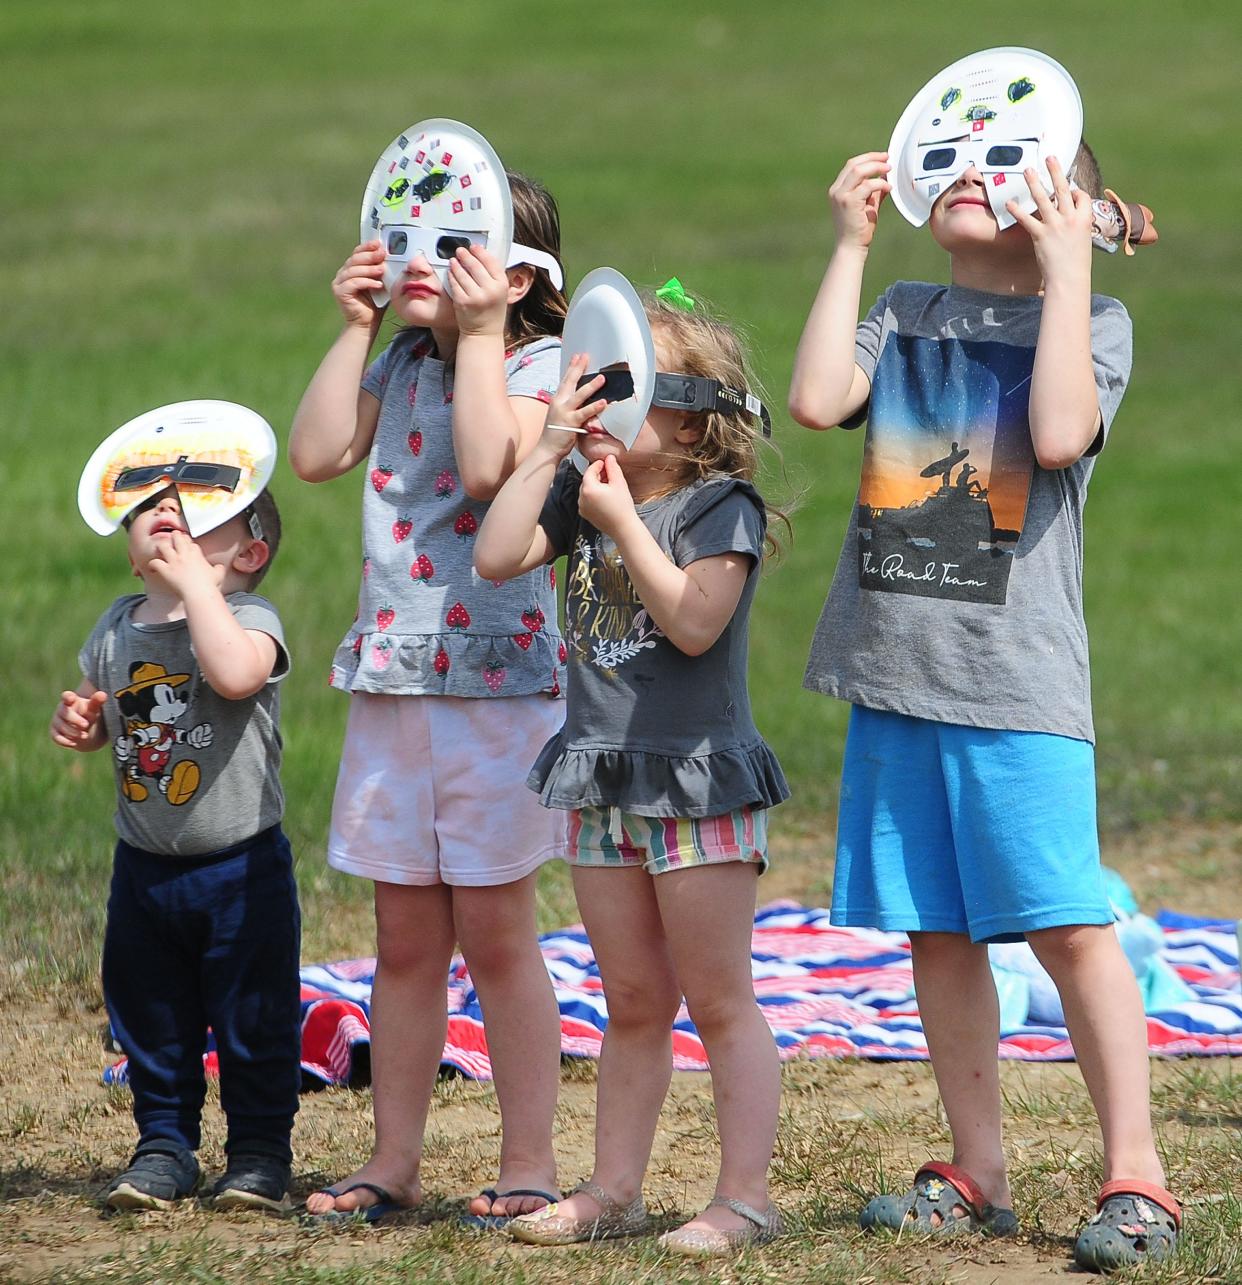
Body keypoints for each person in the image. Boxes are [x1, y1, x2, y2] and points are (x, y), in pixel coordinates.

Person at [788, 136, 1179, 1273]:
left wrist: (1072, 270)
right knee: (938, 928)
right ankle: (978, 1166)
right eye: (948, 159)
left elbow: (1057, 432)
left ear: (1062, 201)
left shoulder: (1095, 325)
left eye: (1004, 162)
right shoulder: (905, 308)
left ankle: (1138, 1173)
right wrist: (851, 246)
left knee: (1065, 923)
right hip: (896, 679)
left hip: (1017, 687)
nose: (967, 172)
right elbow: (817, 400)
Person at [475, 285, 790, 1258]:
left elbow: (695, 623)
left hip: (695, 781)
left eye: (622, 387)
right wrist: (542, 452)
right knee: (632, 1001)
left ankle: (745, 1197)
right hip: (603, 781)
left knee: (718, 998)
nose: (599, 404)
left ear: (692, 415)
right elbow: (494, 555)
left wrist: (621, 528)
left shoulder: (717, 505)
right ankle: (615, 1187)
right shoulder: (585, 491)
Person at [292, 173, 569, 1226]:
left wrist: (489, 332)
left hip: (499, 697)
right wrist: (355, 329)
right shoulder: (403, 357)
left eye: (453, 241)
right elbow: (317, 454)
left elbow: (496, 464)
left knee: (500, 939)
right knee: (404, 941)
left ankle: (531, 1162)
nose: (416, 255)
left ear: (519, 273)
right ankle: (392, 1159)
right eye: (401, 234)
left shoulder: (541, 366)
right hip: (393, 685)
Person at [51, 483, 300, 1214]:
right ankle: (163, 1144)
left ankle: (257, 1153)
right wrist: (85, 721)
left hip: (241, 869)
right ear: (132, 557)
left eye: (196, 517)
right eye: (149, 512)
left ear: (248, 555)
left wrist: (198, 588)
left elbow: (234, 673)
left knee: (254, 1018)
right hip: (144, 869)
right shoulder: (115, 628)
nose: (167, 515)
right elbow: (109, 712)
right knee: (151, 1015)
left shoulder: (251, 616)